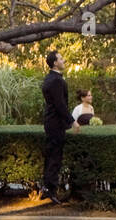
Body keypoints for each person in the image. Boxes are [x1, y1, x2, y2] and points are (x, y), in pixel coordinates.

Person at [40, 49, 78, 204]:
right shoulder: (56, 80)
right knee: (55, 157)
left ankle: (47, 188)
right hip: (56, 124)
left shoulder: (49, 79)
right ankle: (50, 190)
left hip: (51, 122)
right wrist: (72, 121)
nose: (63, 61)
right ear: (55, 62)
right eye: (61, 59)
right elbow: (60, 105)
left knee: (51, 156)